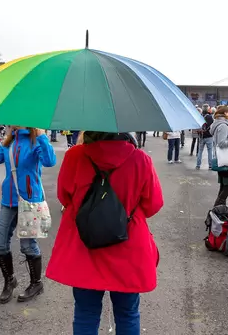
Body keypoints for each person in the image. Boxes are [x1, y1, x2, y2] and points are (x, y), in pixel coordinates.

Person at [46, 131, 163, 334]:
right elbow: (153, 205)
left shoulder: (75, 155)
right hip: (128, 247)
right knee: (127, 314)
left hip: (84, 245)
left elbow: (64, 197)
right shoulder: (140, 159)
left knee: (85, 313)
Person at [0, 125, 57, 304]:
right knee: (0, 245)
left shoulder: (35, 141)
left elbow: (50, 161)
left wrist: (42, 136)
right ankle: (10, 281)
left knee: (28, 247)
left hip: (30, 200)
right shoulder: (9, 143)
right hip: (9, 201)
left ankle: (36, 283)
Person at [196, 104, 214, 170]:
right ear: (208, 109)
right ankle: (210, 165)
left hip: (201, 135)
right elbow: (212, 126)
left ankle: (198, 165)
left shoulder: (200, 116)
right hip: (209, 136)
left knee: (200, 151)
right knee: (210, 151)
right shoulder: (210, 117)